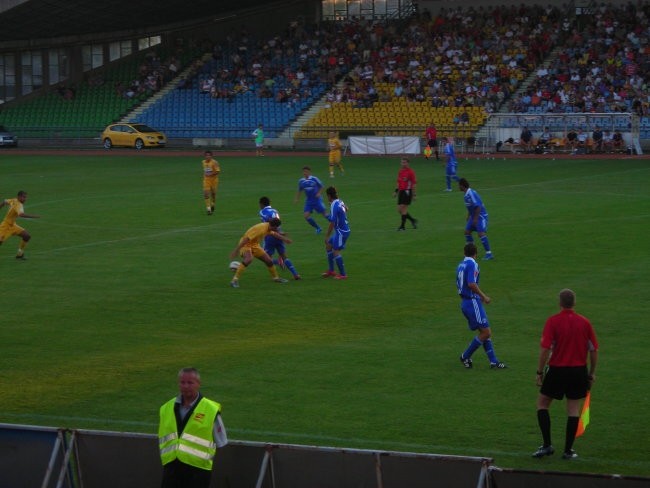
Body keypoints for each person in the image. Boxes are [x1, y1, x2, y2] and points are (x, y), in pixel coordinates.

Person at [533, 289, 598, 460]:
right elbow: (594, 350)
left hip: (557, 370)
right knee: (573, 409)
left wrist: (539, 372)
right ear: (574, 303)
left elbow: (545, 349)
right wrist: (591, 374)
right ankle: (568, 451)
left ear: (560, 303)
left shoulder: (553, 322)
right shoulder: (585, 322)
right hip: (578, 371)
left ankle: (547, 445)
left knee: (542, 404)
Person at [159, 367, 228, 488]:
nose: (186, 386)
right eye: (182, 382)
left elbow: (221, 442)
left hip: (198, 473)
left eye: (190, 382)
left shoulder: (211, 409)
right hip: (171, 469)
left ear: (198, 384)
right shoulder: (166, 408)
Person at [456, 242, 506, 369]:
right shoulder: (472, 264)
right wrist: (484, 296)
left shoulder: (460, 265)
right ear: (476, 254)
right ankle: (465, 356)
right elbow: (471, 283)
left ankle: (493, 361)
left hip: (465, 302)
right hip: (472, 302)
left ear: (464, 253)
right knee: (486, 333)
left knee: (484, 331)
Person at [229, 217, 291, 288]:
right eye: (277, 227)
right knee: (249, 259)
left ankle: (276, 278)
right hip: (245, 245)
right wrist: (236, 250)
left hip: (255, 245)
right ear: (273, 226)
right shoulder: (261, 229)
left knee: (269, 261)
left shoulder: (268, 227)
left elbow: (274, 234)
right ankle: (234, 280)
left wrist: (284, 239)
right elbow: (246, 239)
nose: (277, 229)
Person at [259, 196, 301, 280]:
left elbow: (269, 224)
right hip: (279, 235)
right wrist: (281, 233)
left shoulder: (262, 212)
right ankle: (295, 274)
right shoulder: (275, 211)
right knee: (284, 256)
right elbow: (277, 223)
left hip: (270, 236)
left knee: (266, 258)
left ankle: (278, 264)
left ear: (261, 204)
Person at [458, 178, 493, 260]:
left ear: (462, 186)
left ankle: (489, 253)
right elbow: (471, 207)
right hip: (474, 216)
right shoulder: (466, 194)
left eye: (459, 185)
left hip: (481, 216)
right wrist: (468, 216)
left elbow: (478, 207)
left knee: (481, 233)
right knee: (467, 232)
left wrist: (475, 219)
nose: (458, 187)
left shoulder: (471, 193)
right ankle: (472, 252)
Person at [0, 190, 40, 260]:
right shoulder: (19, 204)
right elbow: (21, 214)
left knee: (26, 236)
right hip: (5, 226)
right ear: (19, 197)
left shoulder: (14, 200)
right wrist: (34, 216)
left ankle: (20, 254)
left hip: (13, 225)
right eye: (23, 197)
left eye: (26, 197)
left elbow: (4, 201)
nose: (25, 199)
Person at [321, 186, 350, 280]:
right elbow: (347, 209)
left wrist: (327, 235)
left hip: (342, 232)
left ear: (329, 195)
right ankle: (331, 270)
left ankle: (343, 274)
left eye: (327, 196)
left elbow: (332, 223)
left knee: (336, 252)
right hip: (341, 231)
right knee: (329, 245)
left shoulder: (334, 204)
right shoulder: (340, 201)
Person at [294, 166, 328, 234]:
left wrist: (319, 193)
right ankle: (318, 228)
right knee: (306, 216)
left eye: (306, 171)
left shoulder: (314, 179)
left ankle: (336, 224)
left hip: (317, 200)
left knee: (325, 214)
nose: (305, 173)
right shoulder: (301, 181)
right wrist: (297, 198)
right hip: (309, 201)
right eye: (304, 172)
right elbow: (299, 190)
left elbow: (322, 186)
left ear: (309, 172)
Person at [393, 157, 418, 231]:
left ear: (408, 163)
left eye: (404, 162)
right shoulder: (400, 171)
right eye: (402, 162)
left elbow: (413, 184)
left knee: (403, 208)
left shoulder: (411, 172)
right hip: (401, 191)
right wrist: (396, 191)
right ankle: (412, 220)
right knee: (399, 210)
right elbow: (398, 182)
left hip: (407, 192)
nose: (403, 164)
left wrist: (414, 195)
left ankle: (402, 227)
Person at [201, 150, 220, 215]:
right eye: (206, 155)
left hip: (214, 181)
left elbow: (217, 171)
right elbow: (205, 171)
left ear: (211, 156)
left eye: (209, 155)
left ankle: (213, 204)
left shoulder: (215, 163)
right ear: (204, 156)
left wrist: (210, 174)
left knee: (213, 194)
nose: (207, 156)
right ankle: (208, 209)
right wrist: (206, 175)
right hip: (206, 181)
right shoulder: (203, 162)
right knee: (206, 194)